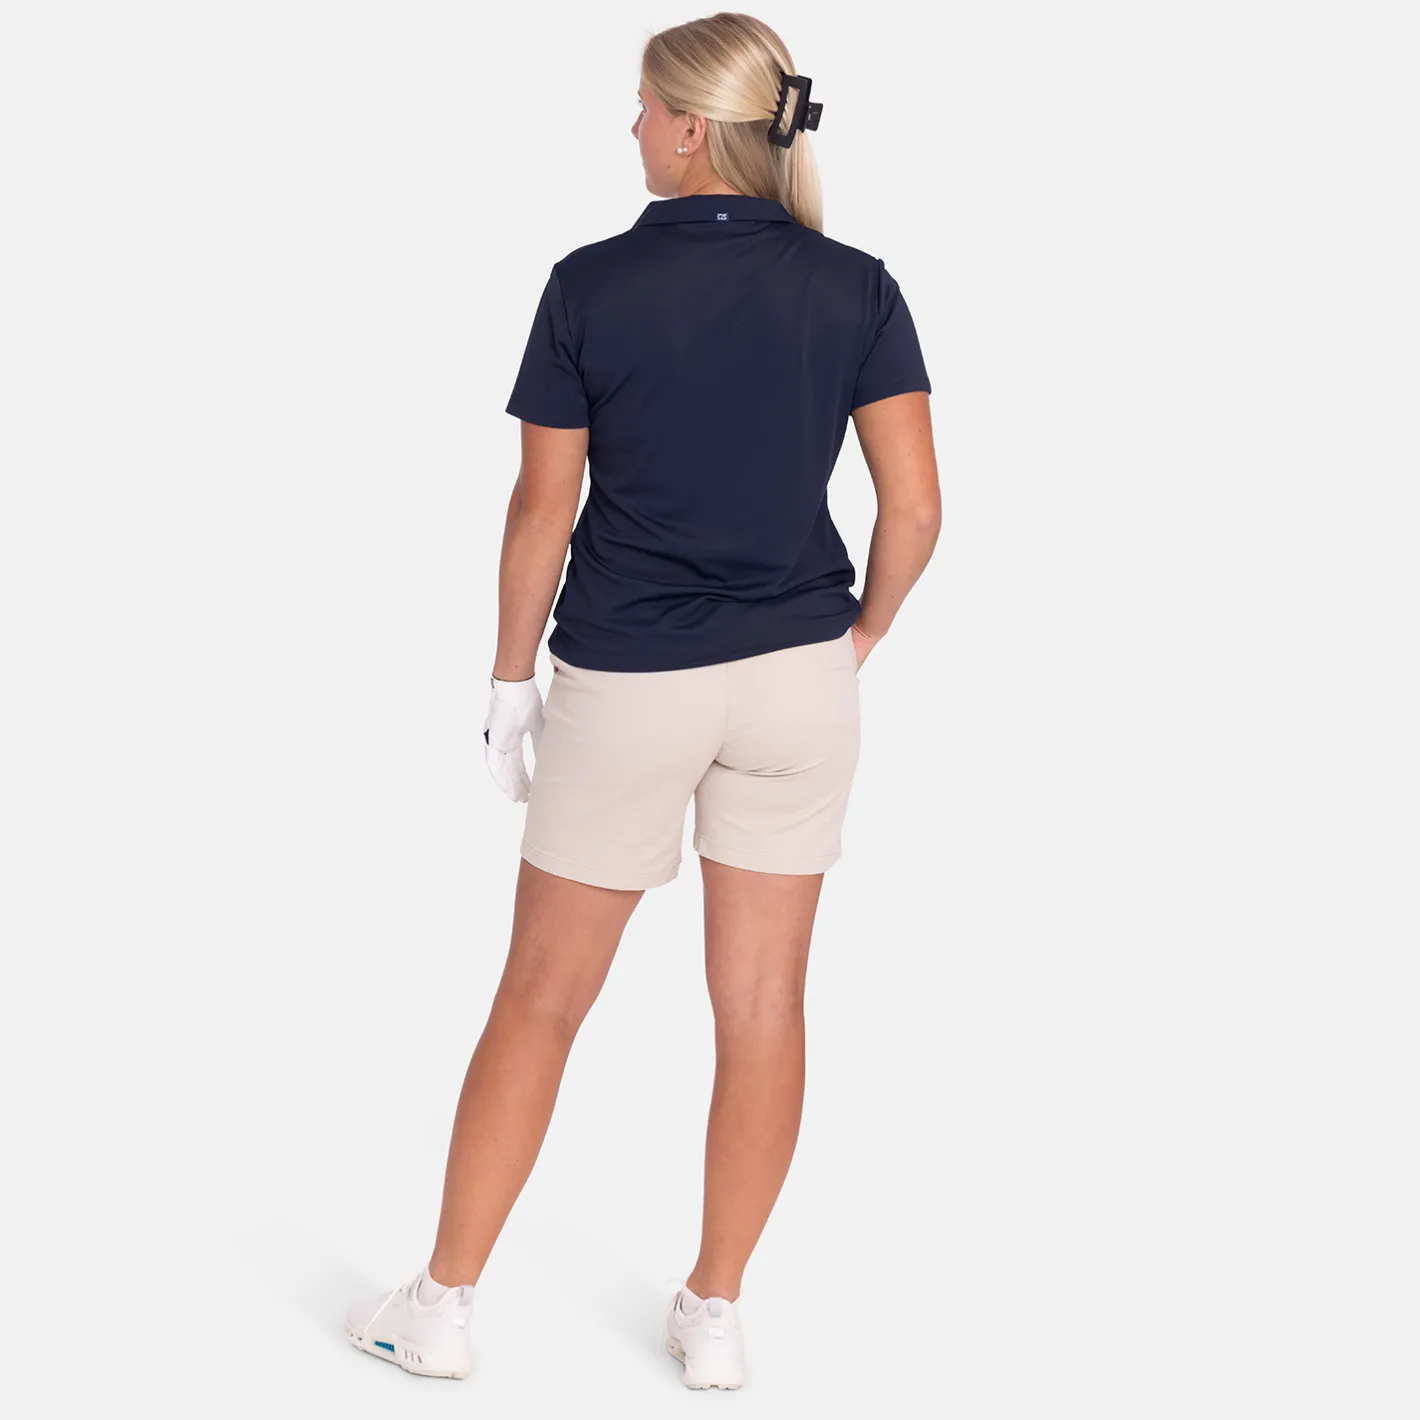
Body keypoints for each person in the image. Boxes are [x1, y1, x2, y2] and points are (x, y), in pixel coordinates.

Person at [346, 11, 940, 1391]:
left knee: (541, 999)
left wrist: (509, 685)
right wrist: (856, 638)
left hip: (628, 685)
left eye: (642, 107)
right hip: (799, 687)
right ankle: (715, 1316)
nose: (629, 126)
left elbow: (539, 512)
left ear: (688, 128)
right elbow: (915, 509)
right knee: (766, 1005)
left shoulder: (590, 286)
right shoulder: (857, 288)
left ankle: (440, 1307)